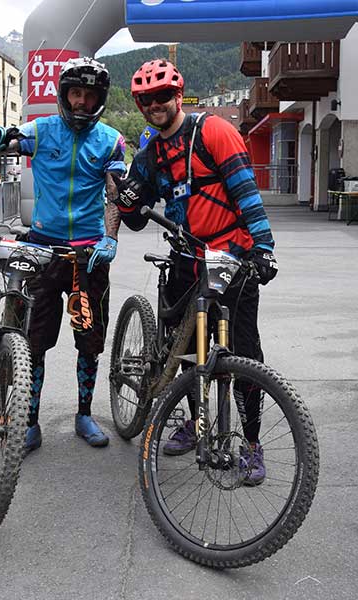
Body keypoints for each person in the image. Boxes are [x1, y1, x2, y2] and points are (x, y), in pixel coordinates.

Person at [113, 59, 278, 485]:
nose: (156, 104)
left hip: (232, 259)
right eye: (147, 99)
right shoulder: (150, 153)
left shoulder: (213, 131)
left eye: (164, 95)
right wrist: (126, 196)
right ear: (140, 104)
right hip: (186, 261)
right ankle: (193, 422)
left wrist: (264, 248)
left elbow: (245, 190)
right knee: (184, 350)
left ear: (178, 93)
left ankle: (252, 445)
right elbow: (133, 217)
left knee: (243, 355)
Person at [0, 57, 126, 451]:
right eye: (75, 93)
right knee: (34, 342)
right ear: (64, 95)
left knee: (89, 342)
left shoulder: (110, 140)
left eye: (89, 96)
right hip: (42, 251)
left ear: (99, 100)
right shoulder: (40, 131)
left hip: (88, 255)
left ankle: (85, 414)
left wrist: (110, 239)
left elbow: (115, 194)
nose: (81, 102)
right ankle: (31, 422)